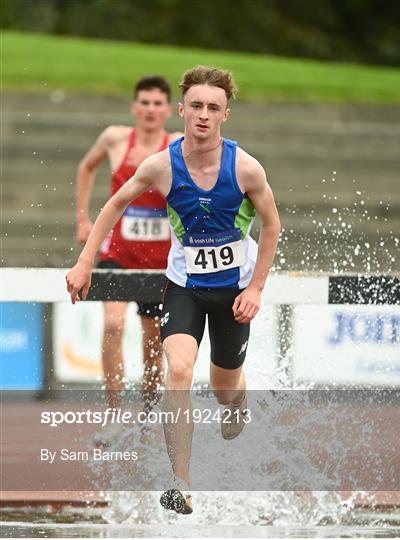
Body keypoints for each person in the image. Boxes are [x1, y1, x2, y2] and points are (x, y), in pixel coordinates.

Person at [67, 65, 281, 513]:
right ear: (181, 110)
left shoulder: (244, 168)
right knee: (179, 370)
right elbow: (114, 203)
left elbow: (273, 224)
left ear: (225, 115)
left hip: (233, 292)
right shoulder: (161, 165)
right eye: (197, 106)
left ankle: (237, 402)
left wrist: (257, 289)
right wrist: (85, 261)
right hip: (184, 287)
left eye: (214, 108)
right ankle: (180, 481)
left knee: (224, 389)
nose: (203, 115)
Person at [75, 76, 181, 410]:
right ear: (135, 107)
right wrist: (82, 218)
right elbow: (86, 167)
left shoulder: (177, 144)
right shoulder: (115, 138)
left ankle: (149, 413)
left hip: (160, 261)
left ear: (168, 109)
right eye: (145, 103)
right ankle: (115, 411)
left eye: (157, 103)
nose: (150, 109)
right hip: (118, 254)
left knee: (153, 343)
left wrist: (150, 171)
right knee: (112, 325)